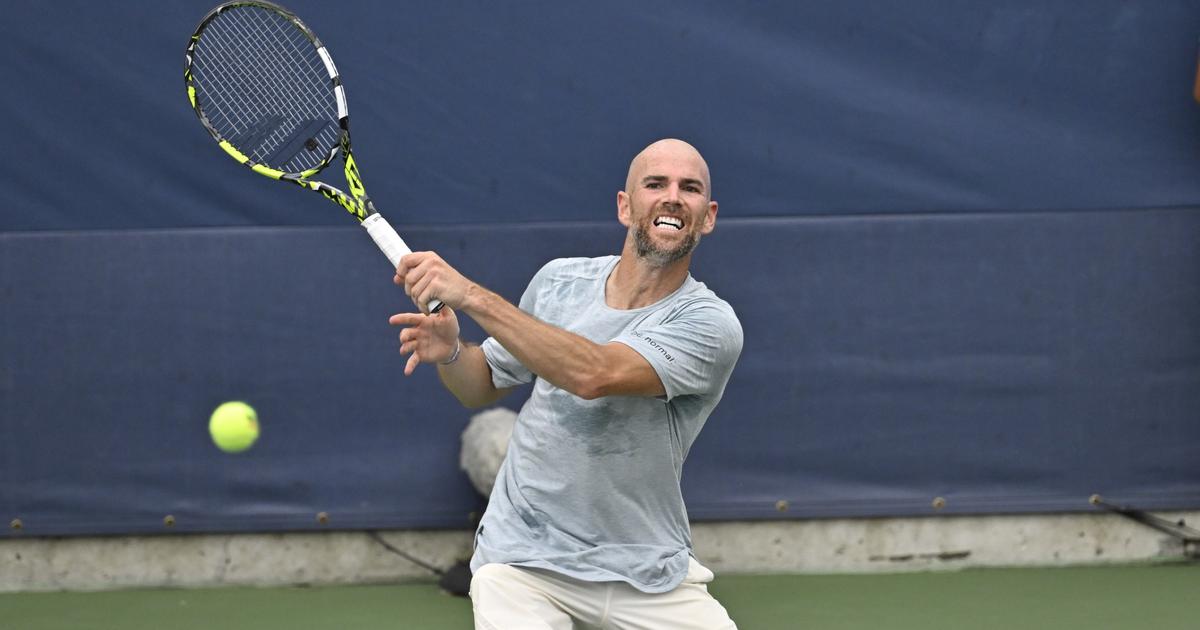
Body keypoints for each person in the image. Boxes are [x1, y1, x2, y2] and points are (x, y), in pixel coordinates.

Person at [389, 138, 743, 629]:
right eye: (655, 183)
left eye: (690, 188)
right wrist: (451, 352)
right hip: (521, 561)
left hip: (646, 568)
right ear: (625, 205)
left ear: (707, 216)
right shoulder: (559, 283)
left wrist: (470, 295)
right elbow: (482, 383)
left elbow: (594, 375)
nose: (672, 197)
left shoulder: (709, 324)